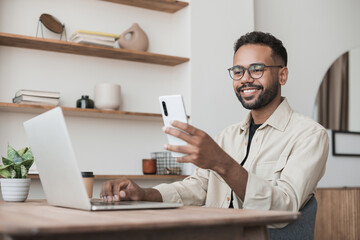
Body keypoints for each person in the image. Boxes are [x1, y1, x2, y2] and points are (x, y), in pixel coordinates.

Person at [100, 31, 329, 222]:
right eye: (238, 71)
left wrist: (222, 163)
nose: (245, 79)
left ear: (282, 75)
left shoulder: (309, 135)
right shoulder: (226, 137)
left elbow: (284, 207)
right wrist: (144, 194)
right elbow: (197, 188)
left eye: (257, 69)